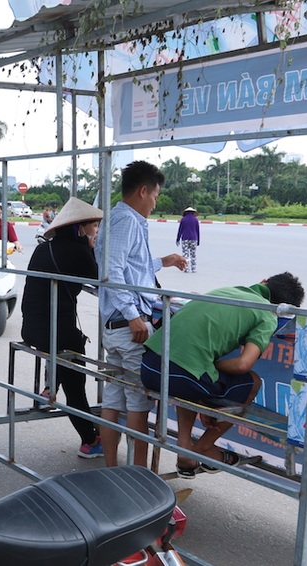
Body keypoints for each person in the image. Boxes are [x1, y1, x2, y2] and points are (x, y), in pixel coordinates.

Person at [139, 273, 305, 478]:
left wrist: (203, 365)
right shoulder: (266, 314)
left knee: (189, 378)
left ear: (263, 282)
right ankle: (202, 448)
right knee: (250, 382)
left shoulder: (223, 290)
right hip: (182, 376)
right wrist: (207, 364)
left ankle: (184, 449)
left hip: (149, 367)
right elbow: (243, 364)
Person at [94, 161, 186, 468]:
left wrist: (164, 261)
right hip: (128, 326)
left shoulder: (117, 218)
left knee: (114, 398)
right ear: (143, 191)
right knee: (138, 402)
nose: (155, 202)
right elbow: (113, 270)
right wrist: (133, 314)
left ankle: (111, 469)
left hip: (115, 326)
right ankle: (138, 477)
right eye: (155, 196)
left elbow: (132, 266)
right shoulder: (128, 221)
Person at [20, 197, 103, 458]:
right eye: (94, 225)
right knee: (76, 385)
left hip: (31, 327)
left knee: (71, 346)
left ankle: (52, 385)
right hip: (54, 331)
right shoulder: (79, 251)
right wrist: (90, 247)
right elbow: (100, 279)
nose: (97, 229)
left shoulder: (43, 248)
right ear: (80, 227)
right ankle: (89, 440)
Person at [176, 207, 200, 273]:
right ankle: (193, 269)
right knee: (193, 254)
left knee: (185, 254)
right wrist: (198, 241)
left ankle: (186, 268)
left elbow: (180, 230)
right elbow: (197, 231)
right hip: (194, 239)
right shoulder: (195, 220)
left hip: (185, 238)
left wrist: (177, 239)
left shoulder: (183, 219)